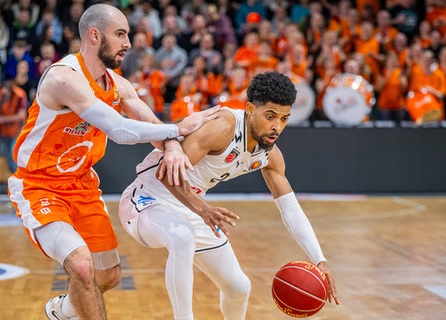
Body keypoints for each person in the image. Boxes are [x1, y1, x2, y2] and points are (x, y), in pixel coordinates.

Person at [7, 4, 219, 320]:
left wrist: (171, 145)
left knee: (108, 276)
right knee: (80, 263)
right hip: (40, 186)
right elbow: (118, 129)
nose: (128, 43)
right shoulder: (63, 78)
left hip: (82, 185)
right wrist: (177, 128)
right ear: (95, 35)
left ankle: (63, 311)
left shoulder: (118, 84)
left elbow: (151, 125)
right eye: (120, 34)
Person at [118, 72, 340, 320]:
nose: (277, 126)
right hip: (147, 200)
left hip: (191, 209)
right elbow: (168, 175)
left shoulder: (269, 155)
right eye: (270, 116)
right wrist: (203, 209)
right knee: (182, 237)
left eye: (284, 118)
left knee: (238, 288)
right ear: (249, 109)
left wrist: (319, 259)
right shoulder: (223, 127)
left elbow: (290, 209)